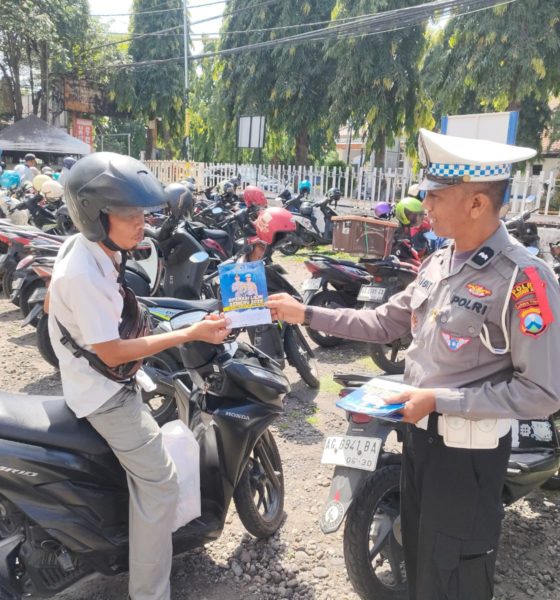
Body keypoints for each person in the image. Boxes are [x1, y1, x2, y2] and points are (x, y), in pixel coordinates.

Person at [266, 128, 560, 600]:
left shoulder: (523, 279)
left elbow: (543, 392)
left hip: (467, 460)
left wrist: (438, 400)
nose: (425, 205)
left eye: (436, 195)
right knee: (422, 567)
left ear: (477, 204)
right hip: (419, 443)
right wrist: (307, 313)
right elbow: (384, 322)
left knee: (456, 577)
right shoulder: (439, 263)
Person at [46, 152, 230, 600]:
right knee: (162, 484)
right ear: (95, 215)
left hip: (108, 378)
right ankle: (149, 593)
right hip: (105, 396)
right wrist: (188, 333)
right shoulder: (82, 272)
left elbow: (58, 304)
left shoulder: (89, 249)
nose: (140, 224)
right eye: (128, 215)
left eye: (142, 213)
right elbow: (111, 351)